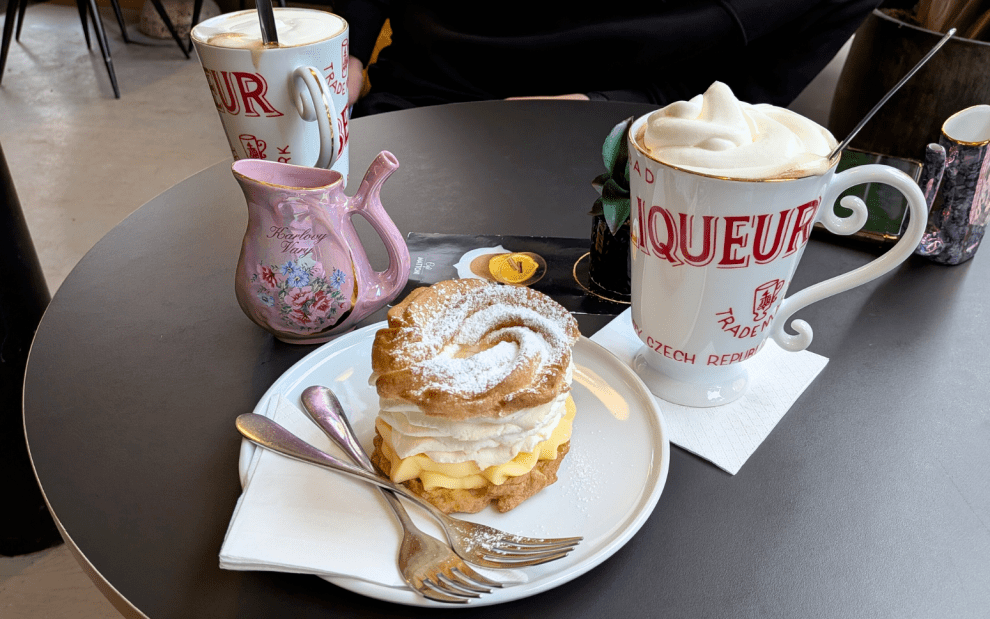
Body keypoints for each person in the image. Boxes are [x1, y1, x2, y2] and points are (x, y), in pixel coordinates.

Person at [335, 0, 879, 118]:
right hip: (421, 101)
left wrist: (601, 108)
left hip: (620, 148)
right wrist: (348, 46)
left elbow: (742, 99)